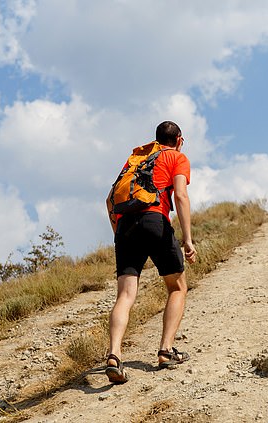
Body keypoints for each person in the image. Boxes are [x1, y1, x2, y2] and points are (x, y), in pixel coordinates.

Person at [105, 120, 197, 384]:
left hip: (125, 225)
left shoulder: (136, 159)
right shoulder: (176, 158)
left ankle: (114, 355)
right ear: (179, 139)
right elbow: (180, 195)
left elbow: (109, 199)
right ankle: (166, 351)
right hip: (155, 220)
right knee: (177, 287)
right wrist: (188, 240)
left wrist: (119, 235)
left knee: (125, 294)